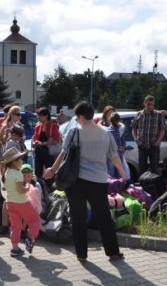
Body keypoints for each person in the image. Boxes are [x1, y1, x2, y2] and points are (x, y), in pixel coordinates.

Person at [44, 102, 127, 263]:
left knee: (78, 217)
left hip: (76, 181)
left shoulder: (74, 132)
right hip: (99, 181)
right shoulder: (105, 133)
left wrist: (52, 170)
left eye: (77, 116)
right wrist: (122, 173)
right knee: (104, 217)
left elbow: (63, 153)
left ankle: (81, 254)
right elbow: (114, 156)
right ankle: (113, 253)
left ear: (81, 116)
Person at [1, 147, 40, 257]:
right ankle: (30, 238)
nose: (22, 162)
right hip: (22, 203)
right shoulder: (17, 174)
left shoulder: (7, 173)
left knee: (15, 226)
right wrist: (27, 187)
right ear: (13, 162)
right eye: (20, 160)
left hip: (10, 203)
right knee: (35, 220)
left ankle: (15, 248)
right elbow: (20, 190)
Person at [132, 95, 166, 176]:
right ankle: (142, 187)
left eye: (152, 104)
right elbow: (133, 129)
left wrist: (158, 142)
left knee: (154, 169)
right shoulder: (138, 114)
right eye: (148, 104)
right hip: (142, 145)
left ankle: (153, 187)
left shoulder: (158, 115)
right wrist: (137, 141)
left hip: (154, 146)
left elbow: (163, 129)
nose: (150, 106)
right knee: (142, 169)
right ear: (144, 103)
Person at [32, 107, 61, 178]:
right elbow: (34, 137)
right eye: (38, 115)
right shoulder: (38, 126)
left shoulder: (52, 125)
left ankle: (50, 187)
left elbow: (56, 140)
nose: (38, 117)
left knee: (49, 172)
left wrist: (43, 143)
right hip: (38, 151)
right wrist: (34, 143)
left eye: (40, 115)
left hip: (49, 153)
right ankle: (40, 187)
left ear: (46, 116)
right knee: (37, 172)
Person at [106, 112, 126, 178]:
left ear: (110, 120)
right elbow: (123, 141)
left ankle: (112, 187)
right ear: (119, 120)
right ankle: (119, 186)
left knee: (111, 174)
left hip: (110, 154)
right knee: (119, 172)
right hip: (119, 153)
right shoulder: (121, 129)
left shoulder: (107, 131)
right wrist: (123, 148)